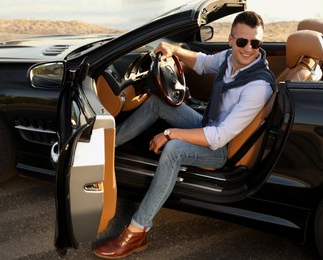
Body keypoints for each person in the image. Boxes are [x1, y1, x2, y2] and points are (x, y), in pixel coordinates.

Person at [94, 10, 275, 259]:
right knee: (158, 103)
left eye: (255, 43)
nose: (248, 49)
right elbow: (201, 62)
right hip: (209, 124)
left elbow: (218, 138)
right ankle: (105, 148)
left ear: (260, 44)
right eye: (242, 41)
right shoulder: (229, 58)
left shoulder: (258, 86)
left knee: (173, 150)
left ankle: (137, 231)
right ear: (231, 40)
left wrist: (170, 134)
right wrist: (174, 50)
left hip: (221, 149)